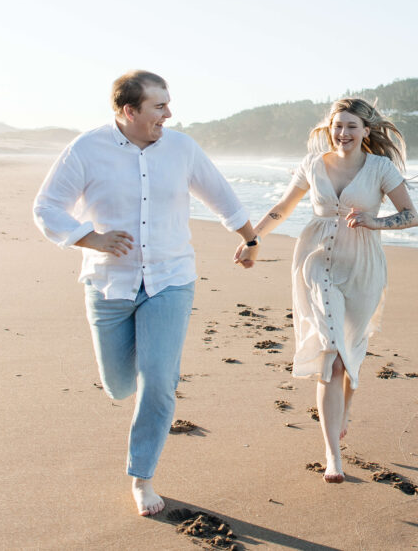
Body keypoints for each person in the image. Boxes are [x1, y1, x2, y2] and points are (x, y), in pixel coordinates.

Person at [33, 70, 260, 516]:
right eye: (159, 106)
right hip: (109, 283)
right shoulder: (85, 149)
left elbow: (221, 195)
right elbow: (45, 207)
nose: (168, 114)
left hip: (170, 279)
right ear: (129, 110)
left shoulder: (181, 148)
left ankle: (142, 477)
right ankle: (147, 362)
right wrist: (89, 238)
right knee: (119, 385)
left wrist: (250, 241)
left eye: (168, 104)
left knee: (157, 381)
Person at [234, 98, 418, 483]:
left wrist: (374, 220)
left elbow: (411, 217)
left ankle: (344, 411)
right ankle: (332, 456)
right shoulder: (312, 165)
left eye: (352, 126)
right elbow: (282, 209)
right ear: (329, 128)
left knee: (351, 352)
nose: (343, 133)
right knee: (331, 355)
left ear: (366, 131)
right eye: (338, 126)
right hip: (317, 263)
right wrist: (253, 240)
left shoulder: (380, 168)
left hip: (364, 267)